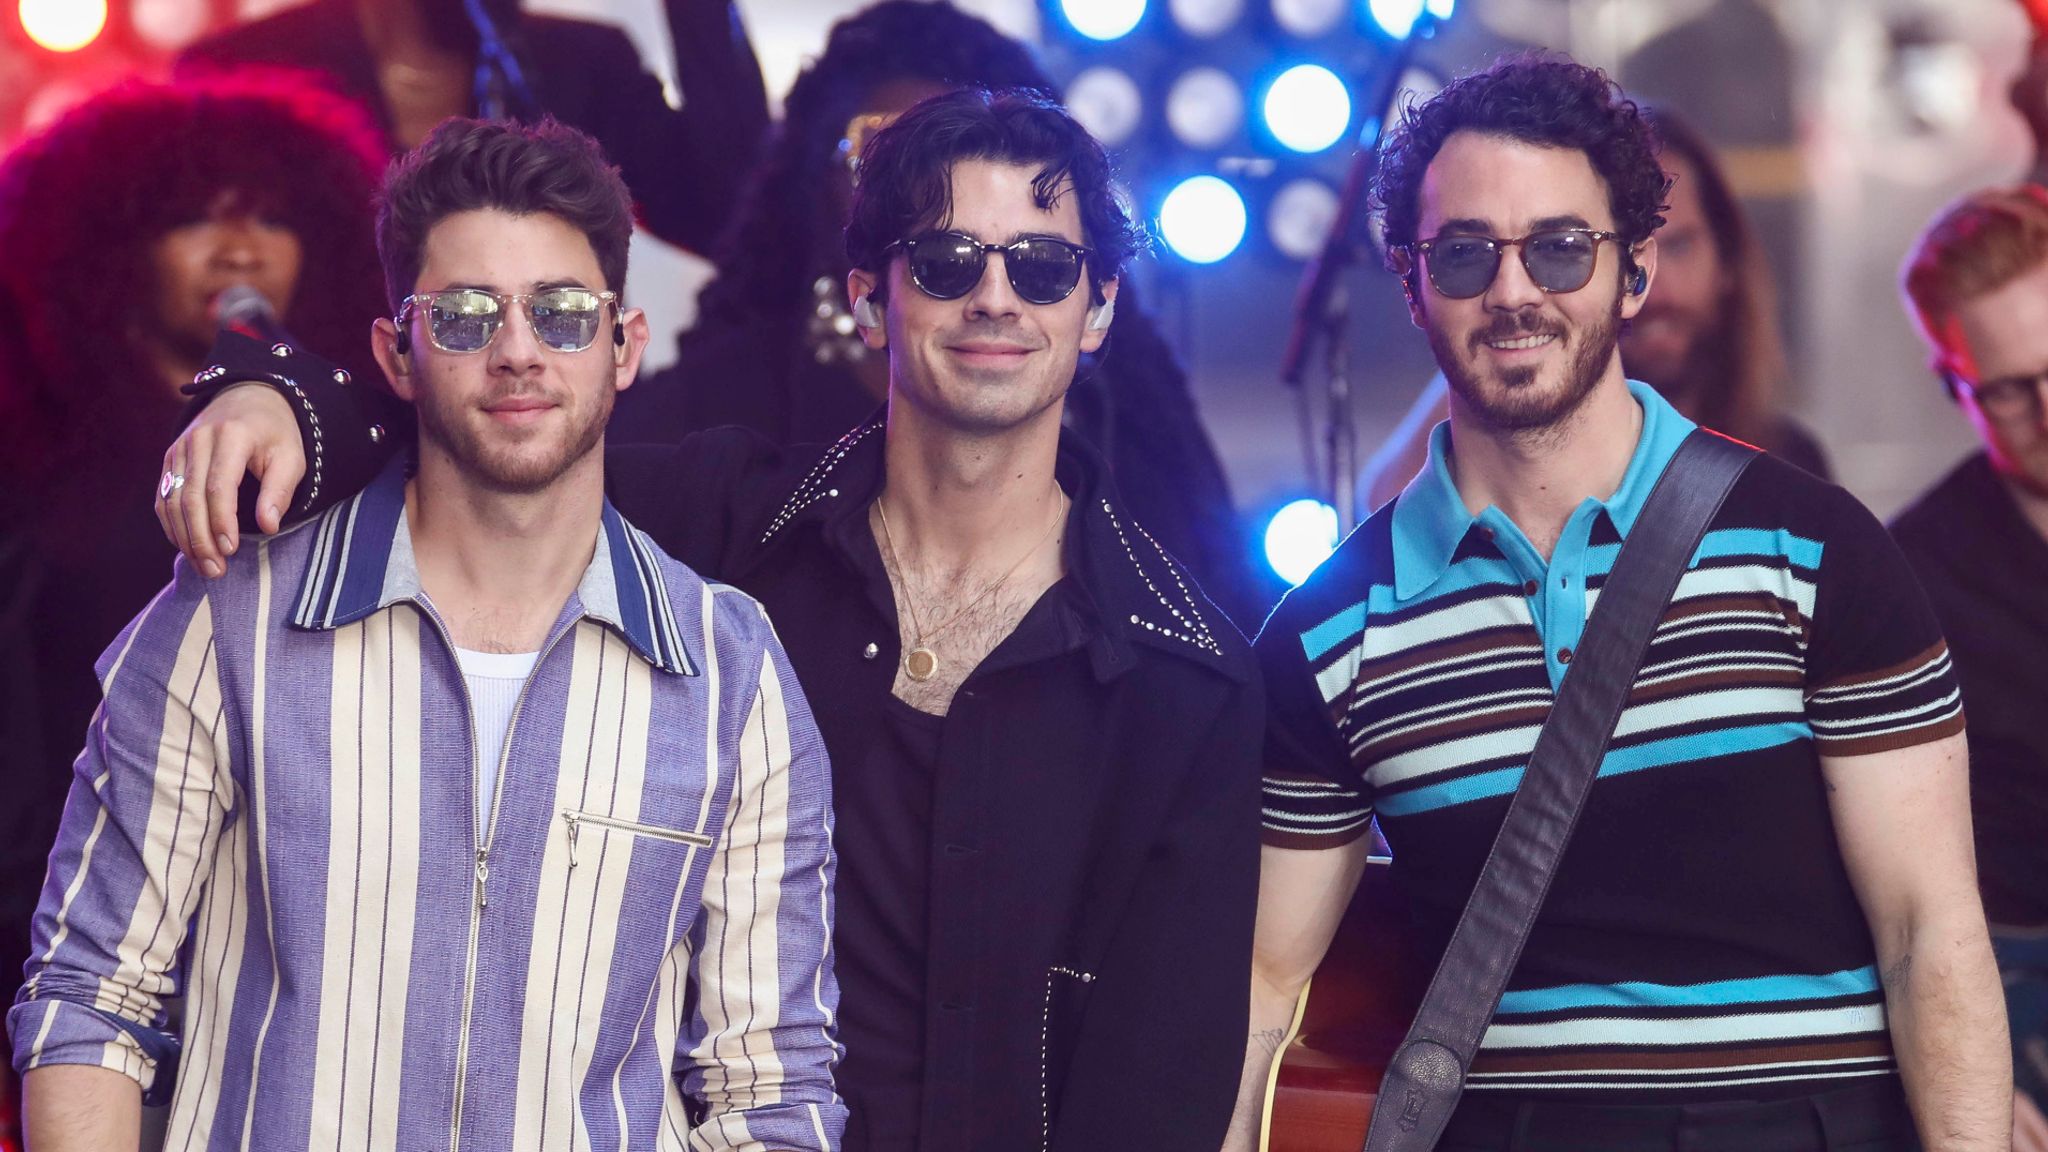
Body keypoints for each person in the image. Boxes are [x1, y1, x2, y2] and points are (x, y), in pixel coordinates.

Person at [152, 90, 1262, 1152]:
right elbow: (497, 433)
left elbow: (1158, 1085)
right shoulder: (725, 527)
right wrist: (280, 396)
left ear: (1099, 306)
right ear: (871, 298)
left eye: (1042, 265)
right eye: (943, 261)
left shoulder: (1180, 674)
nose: (994, 298)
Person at [11, 117, 841, 1150]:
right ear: (396, 352)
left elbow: (769, 1086)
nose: (518, 352)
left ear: (623, 345)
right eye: (462, 317)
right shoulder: (229, 623)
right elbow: (91, 999)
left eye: (565, 312)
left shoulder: (727, 669)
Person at [1228, 56, 2007, 1152]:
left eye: (1557, 247)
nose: (1512, 292)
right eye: (1464, 254)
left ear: (1630, 271)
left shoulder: (1813, 549)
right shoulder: (1326, 631)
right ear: (1409, 281)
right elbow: (1260, 991)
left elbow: (1929, 934)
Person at [608, 0, 1264, 627]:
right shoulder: (709, 426)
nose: (930, 185)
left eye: (966, 151)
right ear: (818, 171)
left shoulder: (1127, 429)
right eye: (881, 146)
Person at [0, 74, 387, 1052]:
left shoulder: (345, 429)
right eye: (192, 219)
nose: (240, 247)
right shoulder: (36, 460)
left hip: (299, 928)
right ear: (111, 248)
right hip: (80, 908)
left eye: (270, 215)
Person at [1360, 106, 1829, 511]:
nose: (1655, 289)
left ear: (1727, 259)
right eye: (1564, 252)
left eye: (1680, 246)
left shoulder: (1789, 468)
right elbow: (1386, 510)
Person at [177, 0, 769, 255]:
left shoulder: (586, 64)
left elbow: (731, 221)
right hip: (331, 446)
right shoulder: (244, 70)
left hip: (555, 441)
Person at [1893, 184, 2048, 1152]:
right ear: (1953, 385)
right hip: (2015, 975)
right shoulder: (1914, 574)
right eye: (2006, 387)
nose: (2046, 409)